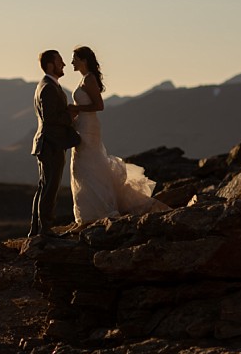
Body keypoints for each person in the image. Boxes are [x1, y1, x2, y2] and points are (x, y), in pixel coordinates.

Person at [68, 46, 167, 224]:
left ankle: (98, 210)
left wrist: (76, 108)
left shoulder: (89, 79)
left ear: (83, 60)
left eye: (74, 58)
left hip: (89, 128)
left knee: (87, 165)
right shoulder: (84, 79)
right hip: (83, 125)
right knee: (86, 166)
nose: (71, 62)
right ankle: (90, 212)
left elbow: (99, 106)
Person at [29, 50, 79, 237]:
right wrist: (70, 115)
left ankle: (36, 230)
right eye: (60, 61)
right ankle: (45, 231)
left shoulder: (46, 85)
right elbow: (51, 118)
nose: (64, 64)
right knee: (50, 188)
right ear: (51, 65)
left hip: (48, 143)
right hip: (51, 143)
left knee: (45, 186)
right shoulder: (49, 87)